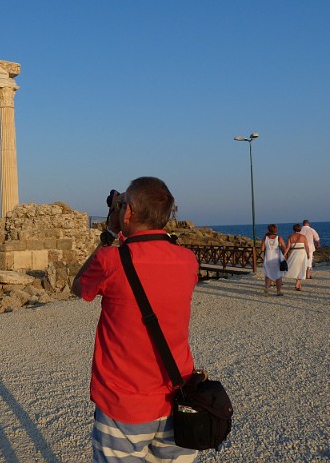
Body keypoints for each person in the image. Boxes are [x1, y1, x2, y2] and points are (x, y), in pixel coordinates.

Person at [72, 177, 199, 463]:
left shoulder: (110, 261)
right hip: (178, 397)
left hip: (124, 404)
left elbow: (78, 285)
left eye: (123, 205)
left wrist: (109, 232)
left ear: (127, 212)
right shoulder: (188, 260)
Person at [261, 224, 287, 296]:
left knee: (268, 274)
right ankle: (278, 291)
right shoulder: (279, 238)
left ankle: (267, 288)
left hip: (268, 257)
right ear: (276, 230)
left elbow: (262, 249)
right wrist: (284, 255)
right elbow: (284, 248)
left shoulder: (265, 238)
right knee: (278, 275)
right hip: (276, 257)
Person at [283, 224, 310, 291]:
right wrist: (308, 254)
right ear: (300, 229)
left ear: (293, 229)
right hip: (302, 253)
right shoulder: (303, 237)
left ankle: (298, 284)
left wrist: (284, 255)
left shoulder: (291, 236)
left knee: (296, 268)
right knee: (301, 268)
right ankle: (298, 284)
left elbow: (287, 247)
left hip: (294, 253)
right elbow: (306, 246)